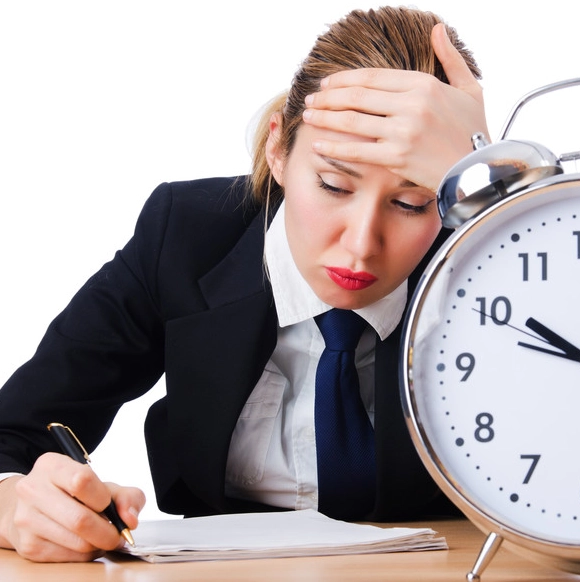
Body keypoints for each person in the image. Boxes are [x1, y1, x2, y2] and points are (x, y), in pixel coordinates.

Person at [0, 6, 488, 563]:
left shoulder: (485, 262)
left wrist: (498, 194)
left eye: (411, 202)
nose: (360, 245)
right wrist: (13, 501)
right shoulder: (184, 234)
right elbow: (14, 432)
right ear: (278, 149)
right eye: (333, 185)